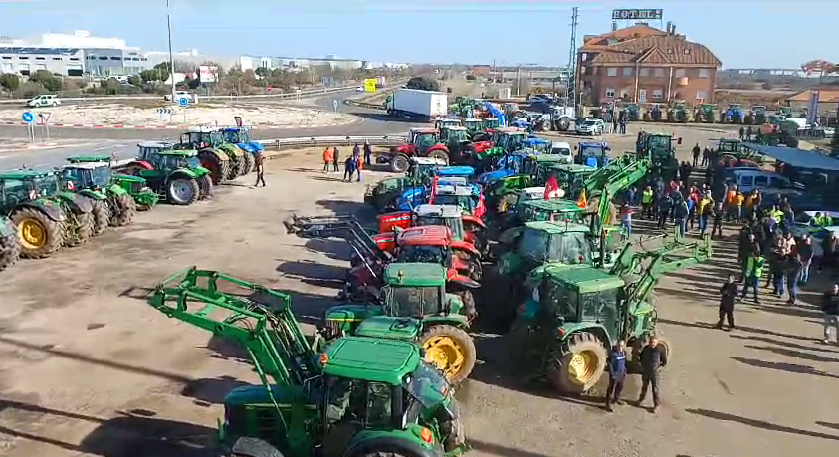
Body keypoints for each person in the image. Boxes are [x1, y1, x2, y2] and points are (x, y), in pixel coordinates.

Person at [637, 336, 667, 413]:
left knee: (655, 389)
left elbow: (664, 362)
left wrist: (658, 369)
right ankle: (641, 400)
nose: (652, 344)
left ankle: (656, 405)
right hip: (646, 371)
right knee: (644, 387)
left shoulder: (660, 350)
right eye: (651, 342)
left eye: (654, 342)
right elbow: (641, 357)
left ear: (657, 343)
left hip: (654, 373)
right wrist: (643, 365)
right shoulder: (646, 349)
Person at [605, 340, 628, 412]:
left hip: (622, 374)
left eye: (621, 346)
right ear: (617, 346)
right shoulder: (613, 354)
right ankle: (608, 404)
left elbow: (625, 362)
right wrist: (612, 374)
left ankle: (616, 399)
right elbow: (610, 365)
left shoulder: (624, 353)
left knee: (620, 387)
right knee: (611, 389)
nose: (620, 347)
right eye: (619, 346)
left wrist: (625, 371)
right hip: (614, 375)